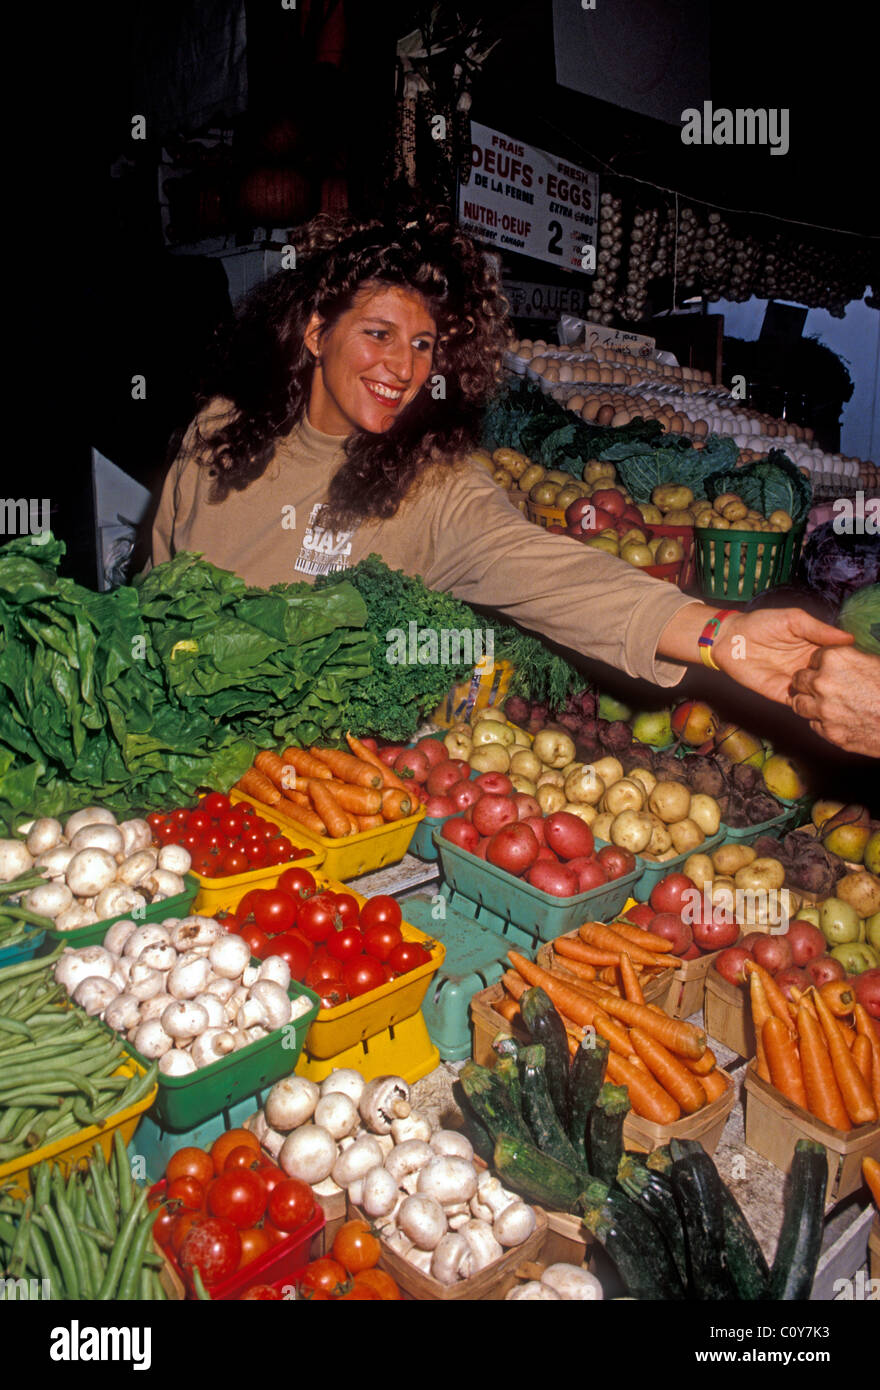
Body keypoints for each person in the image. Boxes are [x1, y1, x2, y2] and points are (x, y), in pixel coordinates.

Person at [151, 210, 879, 758]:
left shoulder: (433, 486)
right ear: (316, 332)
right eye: (378, 333)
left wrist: (724, 637)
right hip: (177, 752)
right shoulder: (217, 434)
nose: (402, 367)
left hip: (316, 789)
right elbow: (154, 593)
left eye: (423, 344)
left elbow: (556, 576)